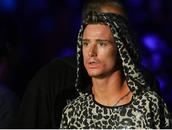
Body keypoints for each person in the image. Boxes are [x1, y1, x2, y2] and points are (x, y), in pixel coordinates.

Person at [13, 0, 162, 128]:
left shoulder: (146, 88)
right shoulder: (54, 81)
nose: (120, 34)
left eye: (121, 28)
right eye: (86, 43)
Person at [60, 12, 172, 129]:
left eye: (102, 44)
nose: (91, 52)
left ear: (121, 50)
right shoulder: (73, 112)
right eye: (86, 43)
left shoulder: (149, 106)